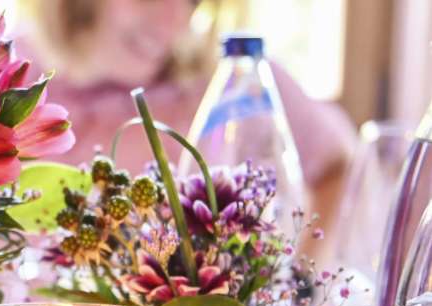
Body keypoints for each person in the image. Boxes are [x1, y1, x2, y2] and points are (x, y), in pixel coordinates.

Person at [23, 0, 356, 230]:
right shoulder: (11, 73)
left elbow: (338, 164)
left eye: (194, 1)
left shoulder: (232, 77)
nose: (175, 21)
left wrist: (302, 282)